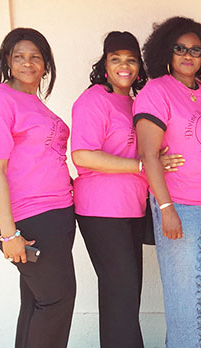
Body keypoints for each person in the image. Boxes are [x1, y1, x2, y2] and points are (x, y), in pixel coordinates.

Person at [70, 31, 183, 348]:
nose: (124, 66)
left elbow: (135, 152)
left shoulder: (133, 102)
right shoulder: (93, 100)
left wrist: (155, 160)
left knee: (126, 292)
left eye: (131, 60)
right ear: (104, 64)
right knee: (121, 292)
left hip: (131, 208)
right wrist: (141, 167)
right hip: (102, 211)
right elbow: (82, 154)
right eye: (116, 59)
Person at [133, 16, 201, 347]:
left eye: (196, 50)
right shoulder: (156, 91)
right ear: (167, 51)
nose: (188, 55)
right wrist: (166, 208)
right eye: (180, 48)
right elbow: (149, 155)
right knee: (187, 297)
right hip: (179, 205)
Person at [0, 28, 75, 348]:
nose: (27, 63)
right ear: (8, 61)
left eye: (35, 57)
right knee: (57, 301)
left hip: (53, 214)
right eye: (19, 57)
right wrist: (9, 234)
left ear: (46, 64)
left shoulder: (31, 100)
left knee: (37, 302)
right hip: (27, 218)